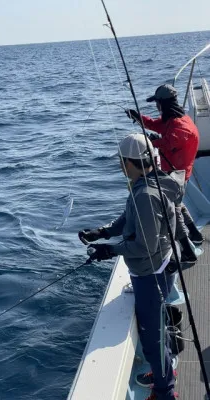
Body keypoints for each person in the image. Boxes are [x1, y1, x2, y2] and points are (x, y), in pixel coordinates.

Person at [79, 133, 182, 400]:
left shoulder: (145, 195)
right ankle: (165, 374)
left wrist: (109, 250)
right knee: (157, 326)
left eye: (122, 162)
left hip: (150, 274)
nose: (120, 166)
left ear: (129, 163)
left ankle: (164, 392)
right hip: (159, 266)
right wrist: (102, 232)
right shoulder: (150, 183)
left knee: (152, 338)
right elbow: (128, 218)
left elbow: (144, 246)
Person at [126, 84, 204, 263]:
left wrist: (153, 142)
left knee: (173, 211)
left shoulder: (181, 126)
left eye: (158, 103)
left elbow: (169, 142)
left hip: (177, 176)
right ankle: (195, 234)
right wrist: (138, 118)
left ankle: (188, 252)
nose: (156, 106)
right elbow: (155, 125)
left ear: (164, 103)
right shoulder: (172, 119)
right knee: (177, 205)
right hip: (173, 174)